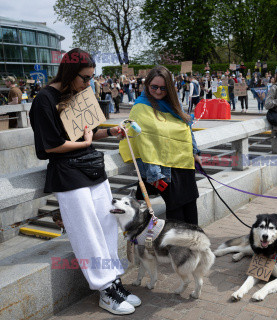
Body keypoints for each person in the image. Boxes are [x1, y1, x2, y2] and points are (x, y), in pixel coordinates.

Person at [28, 48, 140, 315]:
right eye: (85, 77)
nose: (88, 83)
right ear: (69, 72)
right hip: (68, 175)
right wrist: (88, 141)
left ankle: (113, 281)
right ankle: (104, 290)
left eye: (91, 77)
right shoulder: (44, 99)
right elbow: (50, 146)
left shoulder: (77, 93)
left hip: (91, 168)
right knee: (86, 231)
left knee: (106, 225)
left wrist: (111, 131)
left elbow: (86, 134)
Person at [119, 66, 202, 225]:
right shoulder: (140, 107)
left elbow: (187, 127)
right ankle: (179, 248)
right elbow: (144, 143)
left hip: (183, 162)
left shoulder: (174, 103)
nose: (158, 91)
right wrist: (155, 175)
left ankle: (194, 245)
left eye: (163, 88)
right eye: (154, 87)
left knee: (191, 206)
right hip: (162, 169)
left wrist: (195, 152)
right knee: (176, 212)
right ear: (147, 85)